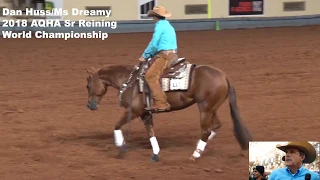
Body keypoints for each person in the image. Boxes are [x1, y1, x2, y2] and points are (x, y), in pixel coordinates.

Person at [138, 5, 177, 112]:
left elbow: (154, 44)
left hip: (164, 55)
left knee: (150, 76)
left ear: (155, 17)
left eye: (153, 16)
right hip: (171, 53)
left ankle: (161, 103)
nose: (152, 19)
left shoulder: (159, 26)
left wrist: (145, 55)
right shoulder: (169, 26)